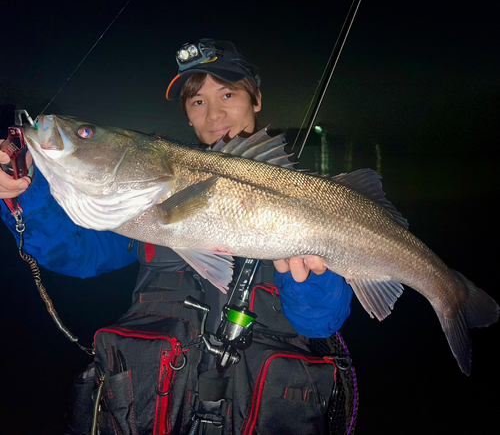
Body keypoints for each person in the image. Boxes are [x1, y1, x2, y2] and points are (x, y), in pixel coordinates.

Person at [0, 39, 357, 434]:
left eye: (227, 93)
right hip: (157, 410)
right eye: (197, 102)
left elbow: (322, 323)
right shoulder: (146, 192)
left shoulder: (304, 192)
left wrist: (308, 280)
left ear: (255, 99)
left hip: (257, 413)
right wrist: (23, 196)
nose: (214, 113)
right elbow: (78, 254)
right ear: (187, 115)